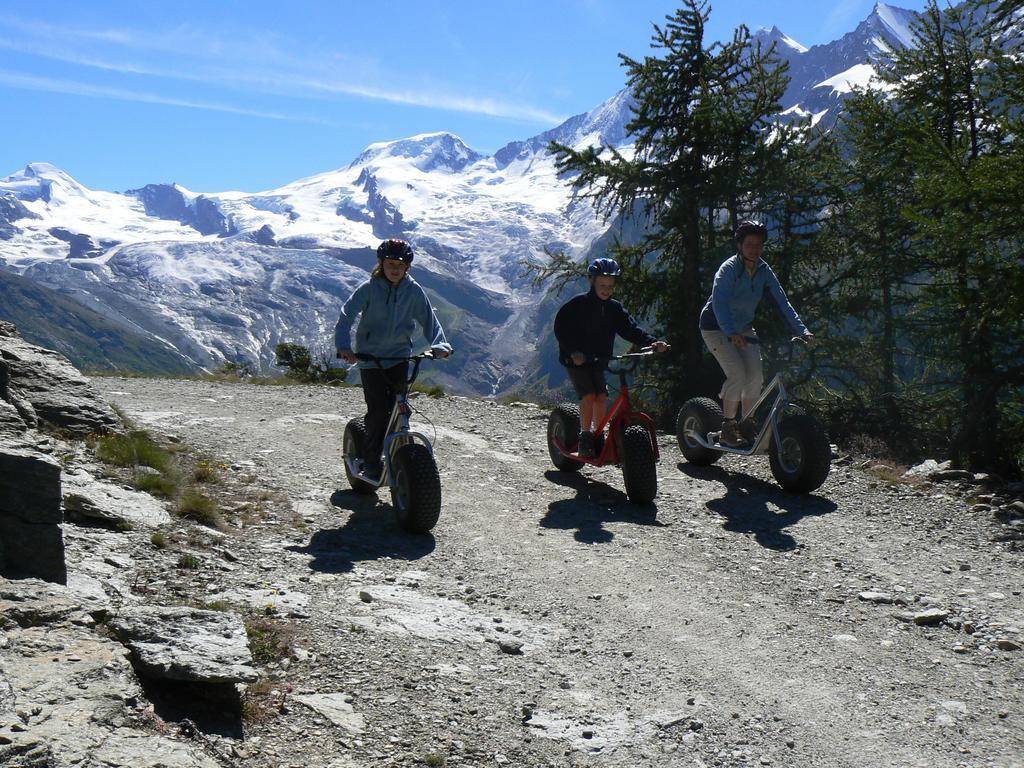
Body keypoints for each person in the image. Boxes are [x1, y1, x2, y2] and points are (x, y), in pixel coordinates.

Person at [335, 239, 452, 481]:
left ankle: (402, 458)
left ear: (408, 267)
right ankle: (371, 461)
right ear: (381, 264)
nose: (395, 269)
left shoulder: (414, 291)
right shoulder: (369, 289)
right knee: (378, 413)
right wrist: (344, 346)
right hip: (371, 359)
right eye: (390, 264)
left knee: (401, 410)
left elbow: (429, 320)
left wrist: (439, 345)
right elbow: (346, 316)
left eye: (400, 265)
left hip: (399, 358)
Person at [699, 220, 814, 447]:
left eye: (759, 244)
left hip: (743, 328)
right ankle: (728, 428)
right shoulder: (728, 269)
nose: (755, 249)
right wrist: (730, 331)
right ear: (740, 245)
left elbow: (783, 302)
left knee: (756, 377)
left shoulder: (763, 270)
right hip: (715, 327)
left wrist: (803, 330)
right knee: (738, 374)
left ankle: (746, 423)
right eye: (749, 244)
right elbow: (720, 303)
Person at [554, 257, 669, 457]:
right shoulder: (578, 305)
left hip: (599, 359)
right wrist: (573, 352)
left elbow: (631, 329)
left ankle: (599, 436)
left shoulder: (614, 308)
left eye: (610, 286)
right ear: (592, 282)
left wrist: (651, 342)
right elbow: (561, 329)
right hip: (577, 360)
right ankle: (585, 437)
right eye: (602, 285)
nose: (606, 290)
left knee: (602, 396)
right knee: (589, 395)